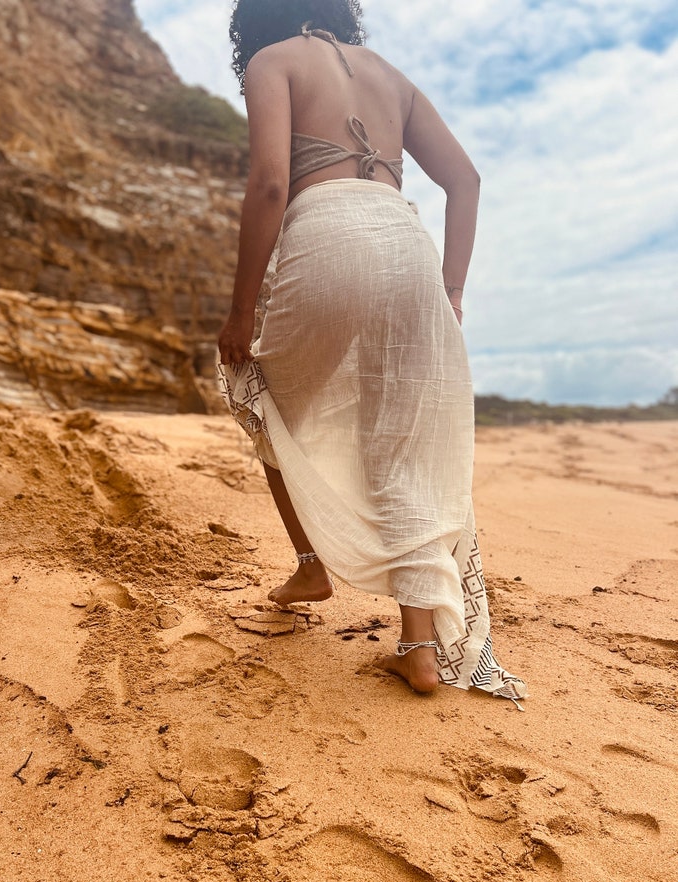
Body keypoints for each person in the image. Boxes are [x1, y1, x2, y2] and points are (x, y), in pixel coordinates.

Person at [218, 0, 526, 703]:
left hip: (325, 236)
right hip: (407, 249)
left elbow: (269, 183)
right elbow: (465, 180)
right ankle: (419, 647)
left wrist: (239, 311)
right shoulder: (391, 75)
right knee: (401, 446)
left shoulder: (273, 63)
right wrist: (451, 290)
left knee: (261, 393)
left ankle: (310, 561)